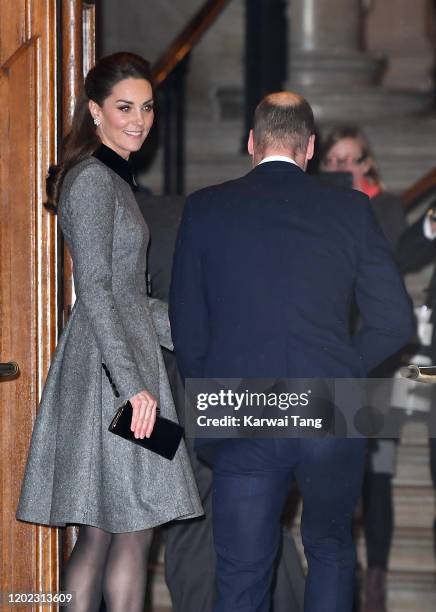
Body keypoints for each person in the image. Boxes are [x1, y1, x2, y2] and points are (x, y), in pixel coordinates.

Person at [169, 92, 414, 612]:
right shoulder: (350, 207)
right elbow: (395, 322)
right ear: (310, 147)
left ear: (251, 143)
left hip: (239, 404)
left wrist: (209, 397)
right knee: (330, 551)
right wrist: (341, 368)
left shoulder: (206, 207)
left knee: (241, 573)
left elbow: (187, 329)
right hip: (332, 399)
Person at [16, 52, 202, 612]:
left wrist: (194, 332)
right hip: (112, 377)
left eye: (146, 108)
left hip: (120, 369)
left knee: (112, 530)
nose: (139, 120)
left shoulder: (115, 178)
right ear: (95, 112)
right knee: (123, 530)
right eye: (125, 107)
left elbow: (129, 296)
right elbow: (95, 290)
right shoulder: (95, 180)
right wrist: (133, 385)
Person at [135, 193, 305, 612]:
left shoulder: (136, 221)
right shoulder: (196, 214)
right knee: (258, 520)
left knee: (191, 525)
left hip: (175, 397)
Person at [320, 125, 407, 612]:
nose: (341, 170)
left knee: (379, 475)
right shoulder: (320, 208)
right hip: (337, 359)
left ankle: (375, 584)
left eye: (350, 160)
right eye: (332, 162)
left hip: (382, 364)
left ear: (368, 164)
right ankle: (345, 580)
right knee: (340, 474)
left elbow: (388, 263)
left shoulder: (386, 207)